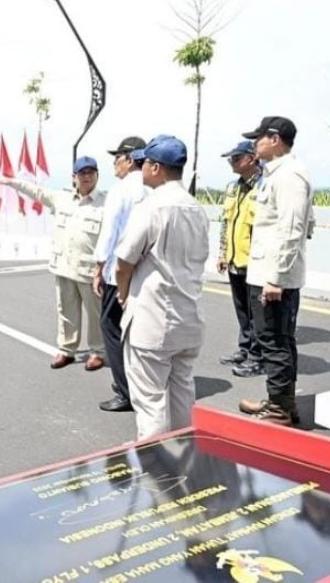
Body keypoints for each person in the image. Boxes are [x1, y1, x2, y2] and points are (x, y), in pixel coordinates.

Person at [115, 135, 209, 440]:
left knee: (150, 399)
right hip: (189, 316)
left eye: (143, 164)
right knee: (182, 391)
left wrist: (122, 291)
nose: (140, 169)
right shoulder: (197, 208)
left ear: (156, 168)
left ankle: (156, 471)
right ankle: (185, 454)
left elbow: (124, 262)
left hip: (153, 319)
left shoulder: (151, 207)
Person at [0, 156, 106, 370]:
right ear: (74, 177)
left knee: (95, 315)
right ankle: (67, 350)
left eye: (91, 172)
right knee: (66, 312)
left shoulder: (106, 203)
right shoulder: (61, 198)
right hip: (64, 267)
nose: (87, 177)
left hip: (89, 271)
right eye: (82, 173)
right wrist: (12, 182)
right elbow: (35, 191)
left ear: (97, 175)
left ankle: (97, 352)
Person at [237, 116, 312, 426]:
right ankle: (282, 401)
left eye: (259, 138)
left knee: (274, 341)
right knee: (276, 338)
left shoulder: (290, 176)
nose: (255, 144)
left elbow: (293, 229)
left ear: (275, 139)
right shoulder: (277, 174)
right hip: (267, 273)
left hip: (273, 277)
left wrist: (276, 278)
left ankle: (280, 409)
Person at [92, 136, 148, 412]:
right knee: (138, 330)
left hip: (119, 272)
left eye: (117, 158)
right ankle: (140, 384)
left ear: (129, 159)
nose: (114, 163)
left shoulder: (122, 189)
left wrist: (98, 267)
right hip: (146, 273)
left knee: (111, 327)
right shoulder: (155, 187)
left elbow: (110, 232)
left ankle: (126, 391)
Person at [216, 140, 265, 378]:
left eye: (236, 158)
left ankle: (257, 356)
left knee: (258, 313)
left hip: (256, 262)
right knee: (242, 310)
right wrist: (223, 252)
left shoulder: (265, 187)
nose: (232, 163)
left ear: (251, 158)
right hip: (236, 260)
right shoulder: (233, 188)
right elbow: (225, 223)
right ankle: (245, 349)